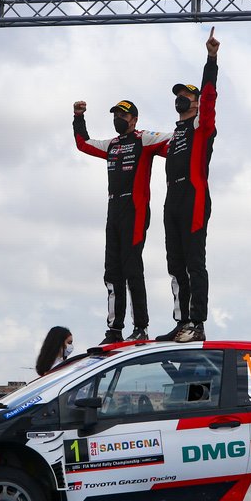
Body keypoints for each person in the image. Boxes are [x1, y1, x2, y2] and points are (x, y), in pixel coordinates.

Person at [74, 99, 171, 345]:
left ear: (134, 119)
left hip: (135, 209)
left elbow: (175, 140)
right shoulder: (112, 144)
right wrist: (78, 117)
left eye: (123, 115)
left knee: (132, 269)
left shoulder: (144, 138)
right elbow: (84, 144)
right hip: (113, 208)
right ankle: (114, 328)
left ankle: (141, 326)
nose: (118, 119)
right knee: (112, 271)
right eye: (115, 115)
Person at [156, 29, 219, 343]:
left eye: (186, 95)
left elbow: (209, 97)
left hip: (194, 196)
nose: (179, 99)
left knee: (194, 262)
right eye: (177, 95)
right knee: (174, 262)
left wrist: (211, 60)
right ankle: (182, 321)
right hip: (172, 199)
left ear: (195, 103)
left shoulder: (201, 126)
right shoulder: (174, 133)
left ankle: (197, 323)